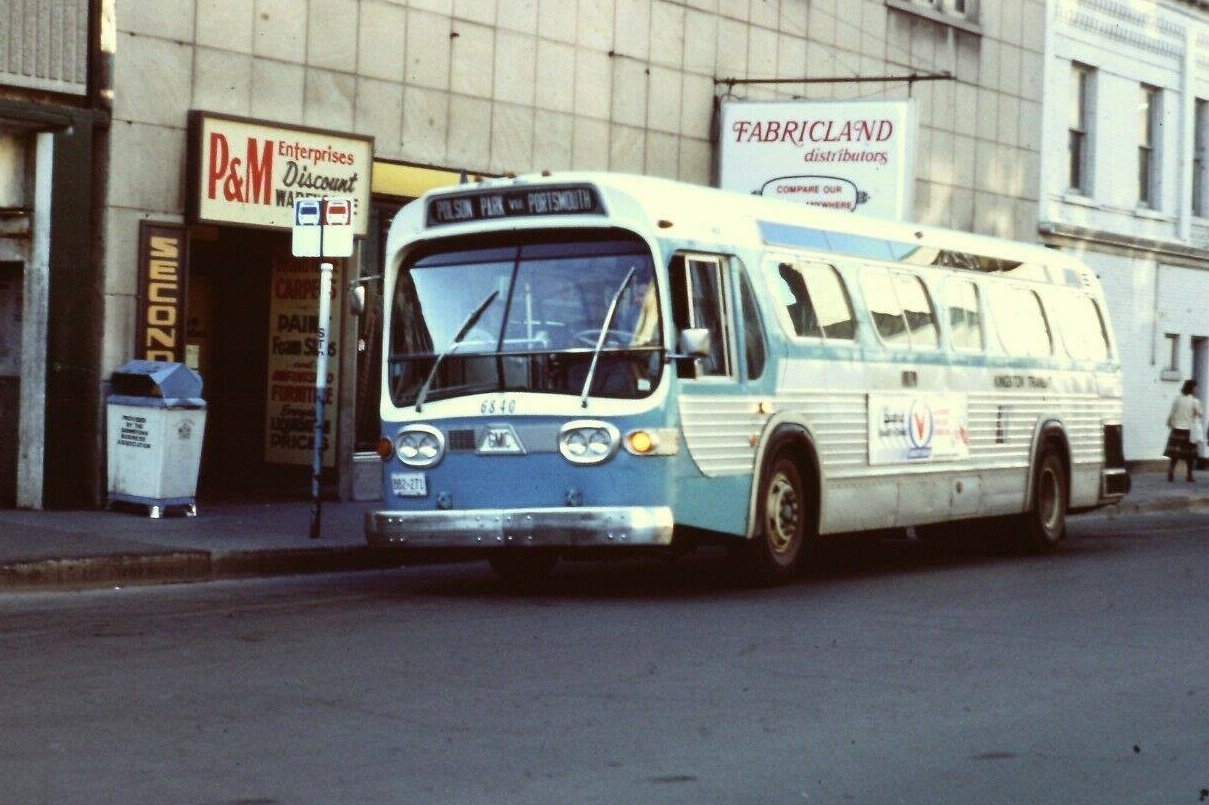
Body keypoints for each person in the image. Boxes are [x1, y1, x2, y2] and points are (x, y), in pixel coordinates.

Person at [1164, 379, 1203, 482]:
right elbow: (1199, 414)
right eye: (1195, 387)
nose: (1196, 389)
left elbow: (1172, 413)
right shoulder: (1194, 401)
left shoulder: (1177, 399)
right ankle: (1189, 475)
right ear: (1192, 388)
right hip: (1188, 431)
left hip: (1177, 429)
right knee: (1190, 455)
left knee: (1175, 454)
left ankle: (1171, 471)